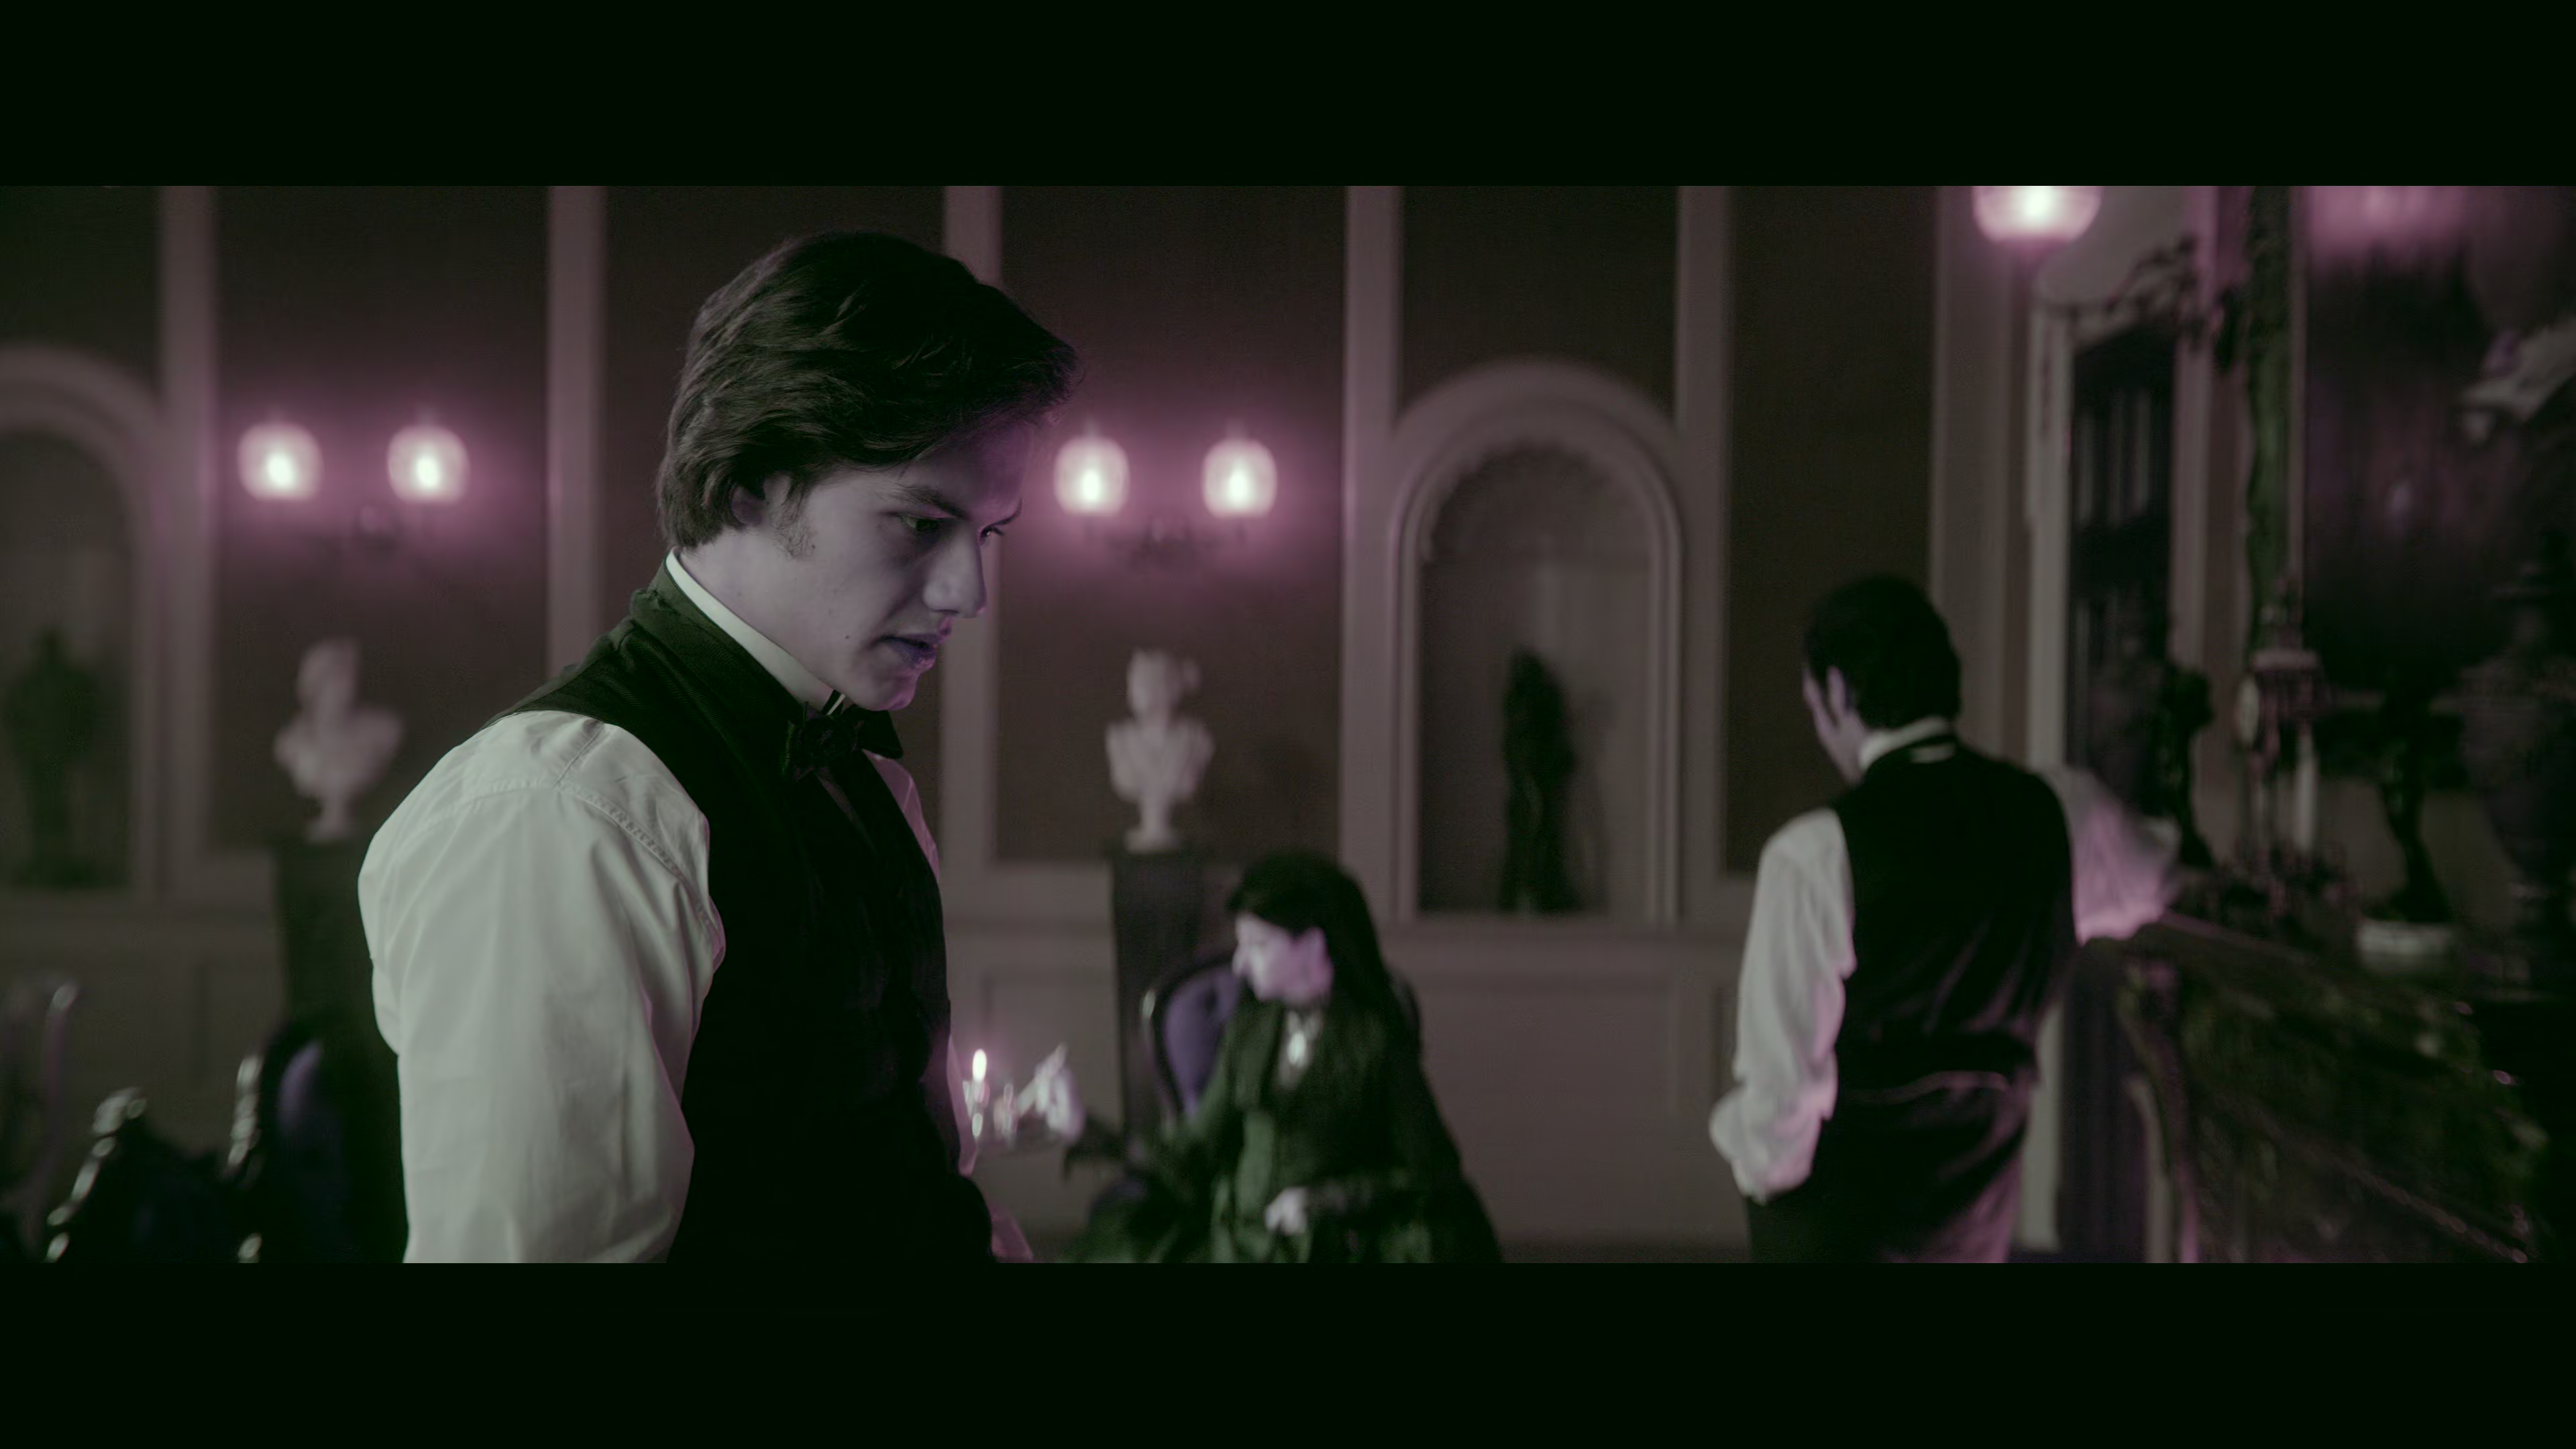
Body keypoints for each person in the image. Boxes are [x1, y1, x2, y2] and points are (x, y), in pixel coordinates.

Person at [359, 231, 1079, 1262]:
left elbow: (910, 1177)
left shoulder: (861, 770)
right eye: (922, 524)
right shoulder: (560, 813)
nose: (971, 592)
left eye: (991, 533)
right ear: (750, 484)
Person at [1711, 575, 2178, 1263]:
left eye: (1815, 706)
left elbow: (1782, 1088)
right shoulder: (2061, 814)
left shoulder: (1814, 855)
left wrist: (1761, 1179)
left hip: (1840, 1226)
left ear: (1838, 691)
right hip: (1974, 1222)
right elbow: (2165, 881)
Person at [1067, 850, 1501, 1263]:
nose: (1239, 965)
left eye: (1258, 945)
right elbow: (1194, 1150)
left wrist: (1327, 1199)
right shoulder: (1251, 1030)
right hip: (1237, 1242)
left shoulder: (1375, 1042)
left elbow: (1432, 1170)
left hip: (1327, 1247)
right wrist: (1087, 1127)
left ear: (1312, 945)